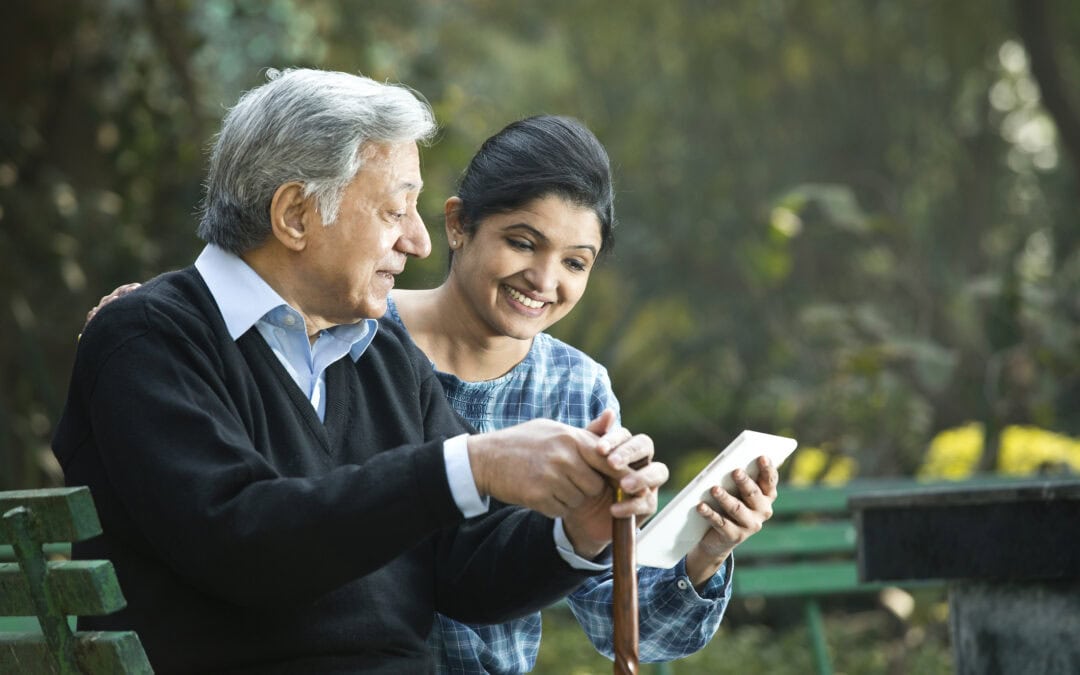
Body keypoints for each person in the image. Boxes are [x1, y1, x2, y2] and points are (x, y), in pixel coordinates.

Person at [86, 114, 779, 673]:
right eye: (395, 211)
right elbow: (246, 536)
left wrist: (587, 528)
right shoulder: (164, 335)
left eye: (575, 261)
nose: (415, 241)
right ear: (297, 214)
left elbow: (469, 566)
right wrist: (471, 465)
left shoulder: (378, 349)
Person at [389, 115, 778, 672]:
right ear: (458, 225)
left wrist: (706, 553)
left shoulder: (575, 387)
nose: (545, 282)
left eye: (575, 262)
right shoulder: (358, 337)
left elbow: (611, 613)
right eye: (523, 243)